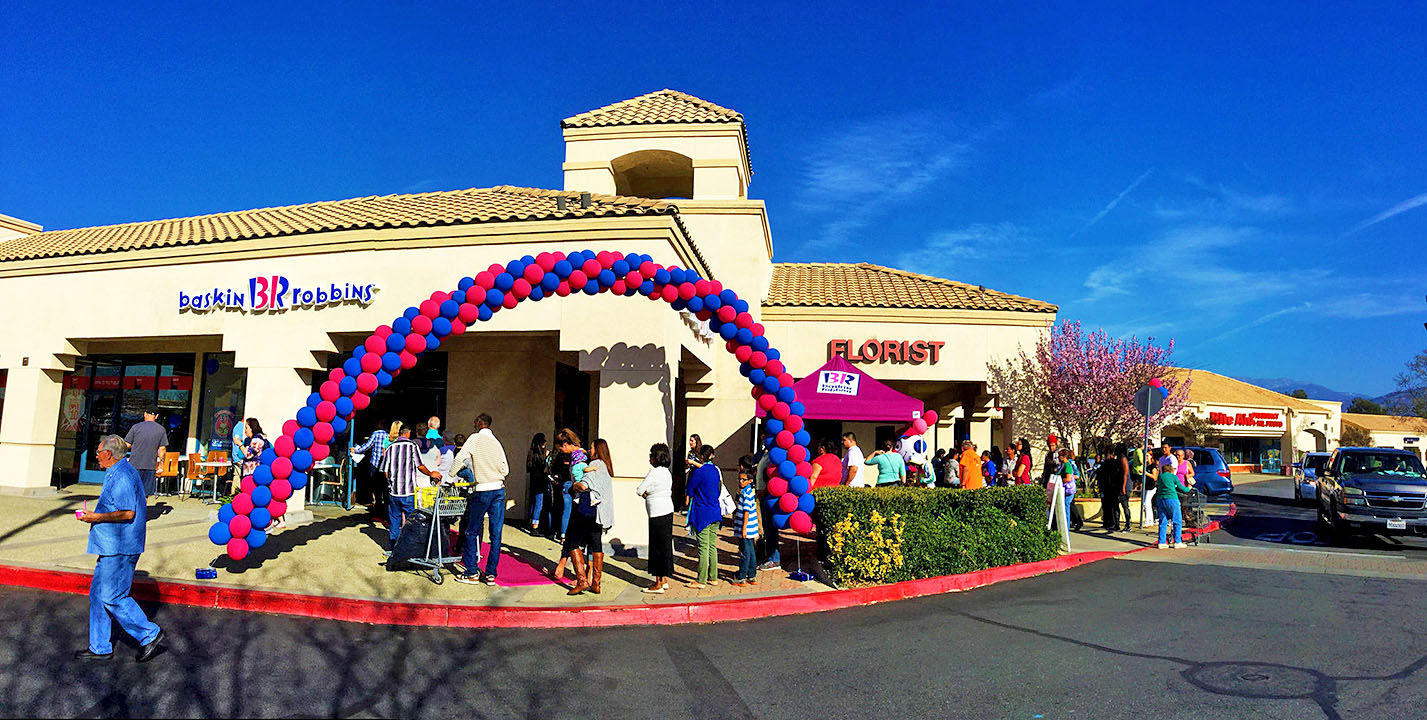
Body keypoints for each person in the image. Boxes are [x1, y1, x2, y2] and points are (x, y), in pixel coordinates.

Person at [74, 435, 165, 663]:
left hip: (121, 546)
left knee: (112, 596)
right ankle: (100, 646)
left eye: (98, 452)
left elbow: (127, 512)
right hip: (111, 546)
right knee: (98, 596)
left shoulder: (123, 475)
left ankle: (149, 634)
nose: (96, 456)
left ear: (109, 454)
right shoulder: (117, 471)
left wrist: (95, 516)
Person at [453, 413, 509, 586]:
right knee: (496, 534)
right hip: (498, 489)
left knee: (471, 531)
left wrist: (449, 477)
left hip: (483, 489)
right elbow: (505, 469)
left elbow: (460, 458)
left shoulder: (474, 439)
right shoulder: (496, 442)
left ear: (479, 423)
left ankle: (471, 572)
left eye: (475, 421)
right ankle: (491, 573)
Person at [378, 423, 438, 553]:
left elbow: (385, 470)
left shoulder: (390, 447)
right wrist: (430, 473)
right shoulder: (412, 446)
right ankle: (409, 547)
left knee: (394, 520)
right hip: (408, 491)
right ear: (408, 433)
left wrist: (390, 483)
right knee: (411, 521)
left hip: (394, 492)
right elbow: (419, 465)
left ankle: (393, 547)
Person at [565, 439, 614, 594]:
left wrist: (574, 486)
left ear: (597, 450)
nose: (589, 450)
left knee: (573, 541)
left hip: (587, 508)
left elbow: (584, 485)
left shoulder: (595, 465)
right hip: (599, 511)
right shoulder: (606, 467)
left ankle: (581, 581)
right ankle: (596, 583)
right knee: (595, 542)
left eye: (592, 447)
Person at [637, 443, 675, 593]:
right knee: (665, 546)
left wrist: (647, 494)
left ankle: (658, 583)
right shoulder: (667, 472)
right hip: (667, 510)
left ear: (656, 457)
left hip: (656, 512)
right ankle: (664, 578)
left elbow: (640, 489)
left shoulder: (653, 472)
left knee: (657, 547)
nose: (650, 457)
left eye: (651, 454)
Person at [551, 430, 587, 582]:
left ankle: (579, 573)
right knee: (574, 534)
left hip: (582, 497)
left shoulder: (581, 457)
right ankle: (566, 565)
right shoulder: (577, 456)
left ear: (565, 445)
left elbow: (585, 477)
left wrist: (575, 488)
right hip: (577, 496)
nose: (561, 452)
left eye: (561, 448)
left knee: (577, 535)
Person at [685, 444, 722, 588]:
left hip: (703, 513)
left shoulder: (699, 472)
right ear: (712, 455)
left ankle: (701, 580)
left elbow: (690, 489)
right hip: (715, 512)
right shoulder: (715, 471)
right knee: (712, 546)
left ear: (701, 456)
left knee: (703, 547)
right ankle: (713, 577)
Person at [123, 406, 167, 498]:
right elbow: (162, 449)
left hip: (134, 465)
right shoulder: (161, 430)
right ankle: (142, 511)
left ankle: (132, 511)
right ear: (157, 416)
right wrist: (161, 465)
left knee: (132, 492)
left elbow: (126, 445)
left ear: (145, 414)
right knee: (144, 494)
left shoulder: (136, 427)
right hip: (150, 466)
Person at [732, 455, 762, 586]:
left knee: (745, 552)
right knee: (750, 551)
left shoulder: (746, 493)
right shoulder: (750, 491)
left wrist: (743, 528)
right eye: (739, 479)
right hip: (750, 528)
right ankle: (752, 575)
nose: (740, 482)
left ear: (749, 480)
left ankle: (742, 576)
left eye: (743, 480)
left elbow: (746, 511)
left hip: (746, 528)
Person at [351, 420, 392, 513]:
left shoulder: (376, 433)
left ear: (379, 425)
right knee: (385, 487)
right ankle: (385, 509)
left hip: (375, 464)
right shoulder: (389, 435)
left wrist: (356, 451)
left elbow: (367, 446)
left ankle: (377, 507)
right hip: (386, 465)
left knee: (375, 486)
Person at [1156, 459, 1196, 549]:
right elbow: (1182, 488)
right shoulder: (1173, 477)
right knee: (1177, 521)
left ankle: (1161, 542)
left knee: (1163, 521)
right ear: (1171, 470)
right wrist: (1189, 487)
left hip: (1161, 499)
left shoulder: (1160, 477)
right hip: (1172, 499)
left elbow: (1158, 484)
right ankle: (1177, 541)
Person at [1100, 444, 1130, 530]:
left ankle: (1127, 525)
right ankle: (1116, 524)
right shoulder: (1118, 459)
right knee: (1115, 506)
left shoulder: (1123, 458)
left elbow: (1125, 474)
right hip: (1117, 486)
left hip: (1123, 486)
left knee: (1124, 506)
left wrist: (1123, 487)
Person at [526, 433, 549, 534]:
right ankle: (535, 526)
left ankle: (531, 522)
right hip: (540, 480)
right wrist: (546, 456)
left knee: (534, 501)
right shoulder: (542, 455)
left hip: (533, 479)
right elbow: (543, 465)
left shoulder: (531, 453)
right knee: (539, 502)